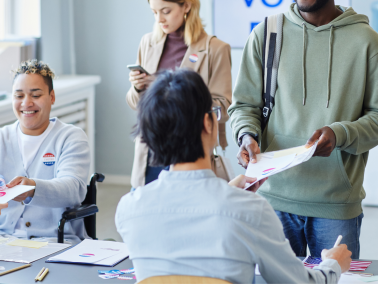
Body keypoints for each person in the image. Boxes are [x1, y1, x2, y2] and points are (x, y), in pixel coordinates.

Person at [228, 0, 378, 259]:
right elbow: (244, 105)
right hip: (272, 198)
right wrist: (246, 135)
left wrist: (341, 133)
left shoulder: (366, 41)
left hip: (336, 205)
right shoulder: (267, 33)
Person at [116, 69, 352, 284]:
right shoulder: (250, 210)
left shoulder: (129, 209)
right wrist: (333, 264)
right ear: (208, 123)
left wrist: (229, 193)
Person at [126, 0, 232, 187]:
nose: (159, 19)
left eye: (166, 11)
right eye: (154, 12)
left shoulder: (215, 49)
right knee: (150, 214)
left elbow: (223, 108)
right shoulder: (148, 42)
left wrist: (174, 93)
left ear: (186, 6)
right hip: (152, 150)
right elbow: (135, 104)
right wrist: (137, 89)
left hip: (192, 151)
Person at [0, 60, 90, 242]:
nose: (26, 103)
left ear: (52, 97)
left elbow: (73, 190)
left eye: (36, 95)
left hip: (53, 242)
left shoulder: (71, 137)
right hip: (4, 240)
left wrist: (32, 188)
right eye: (19, 96)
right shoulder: (2, 137)